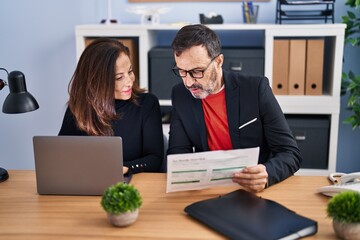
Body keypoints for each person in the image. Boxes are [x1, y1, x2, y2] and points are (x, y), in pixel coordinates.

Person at [167, 24, 301, 192]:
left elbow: (290, 153)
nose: (188, 82)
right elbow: (178, 154)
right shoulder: (180, 94)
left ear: (218, 61)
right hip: (208, 189)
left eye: (197, 71)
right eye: (182, 71)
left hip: (253, 188)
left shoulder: (256, 89)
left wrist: (267, 173)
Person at [59, 38, 164, 174]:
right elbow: (61, 156)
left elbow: (155, 159)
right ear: (97, 81)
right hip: (88, 183)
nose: (129, 81)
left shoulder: (147, 103)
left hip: (133, 185)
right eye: (119, 77)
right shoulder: (79, 108)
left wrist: (123, 169)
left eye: (130, 71)